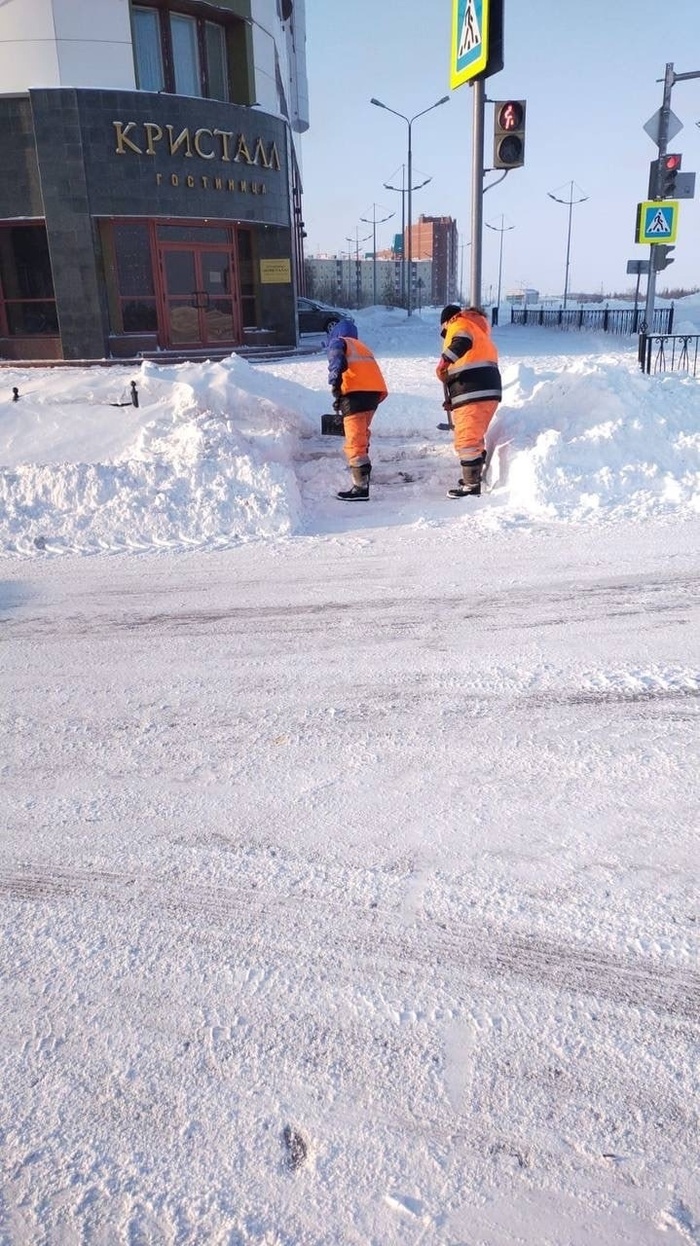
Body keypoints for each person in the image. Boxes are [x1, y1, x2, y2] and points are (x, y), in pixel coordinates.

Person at [436, 304, 502, 498]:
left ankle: (471, 485)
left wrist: (444, 361)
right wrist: (452, 399)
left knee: (466, 439)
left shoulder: (459, 324)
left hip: (473, 389)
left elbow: (461, 341)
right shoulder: (478, 329)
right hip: (484, 390)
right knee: (474, 436)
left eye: (443, 330)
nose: (444, 334)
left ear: (447, 321)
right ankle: (474, 476)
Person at [327, 318, 388, 501]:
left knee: (355, 441)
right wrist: (341, 396)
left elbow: (336, 362)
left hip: (355, 395)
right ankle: (364, 475)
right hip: (372, 396)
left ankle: (361, 488)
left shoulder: (339, 342)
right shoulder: (362, 346)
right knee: (361, 434)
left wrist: (335, 383)